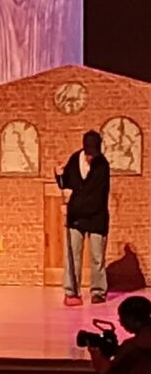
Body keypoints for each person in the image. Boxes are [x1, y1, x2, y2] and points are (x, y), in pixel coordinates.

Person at [56, 130, 111, 306]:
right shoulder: (75, 160)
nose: (90, 158)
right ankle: (71, 292)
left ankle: (98, 291)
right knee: (72, 256)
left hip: (96, 217)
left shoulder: (102, 165)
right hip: (76, 218)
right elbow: (67, 183)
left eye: (93, 154)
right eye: (89, 154)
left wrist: (71, 208)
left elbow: (96, 197)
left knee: (97, 256)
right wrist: (58, 176)